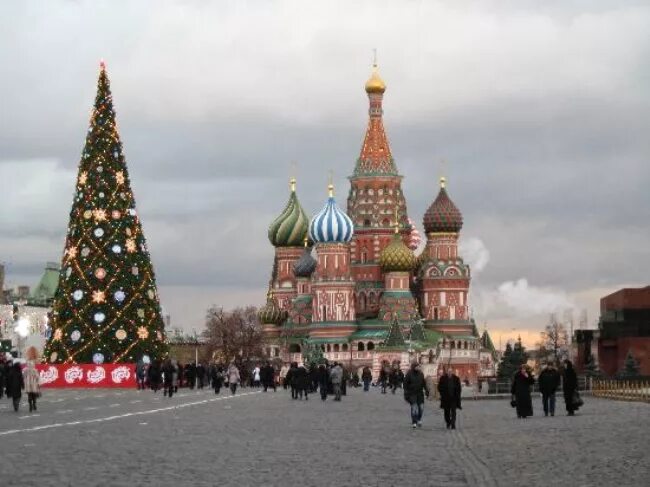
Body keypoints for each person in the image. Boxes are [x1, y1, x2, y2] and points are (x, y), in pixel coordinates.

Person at [403, 362, 430, 428]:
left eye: (419, 366)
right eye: (417, 366)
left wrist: (426, 391)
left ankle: (419, 419)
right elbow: (405, 385)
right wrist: (406, 395)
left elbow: (424, 383)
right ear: (414, 367)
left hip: (420, 394)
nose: (418, 368)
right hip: (412, 394)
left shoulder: (421, 374)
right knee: (414, 408)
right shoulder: (409, 374)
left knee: (421, 408)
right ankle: (414, 422)